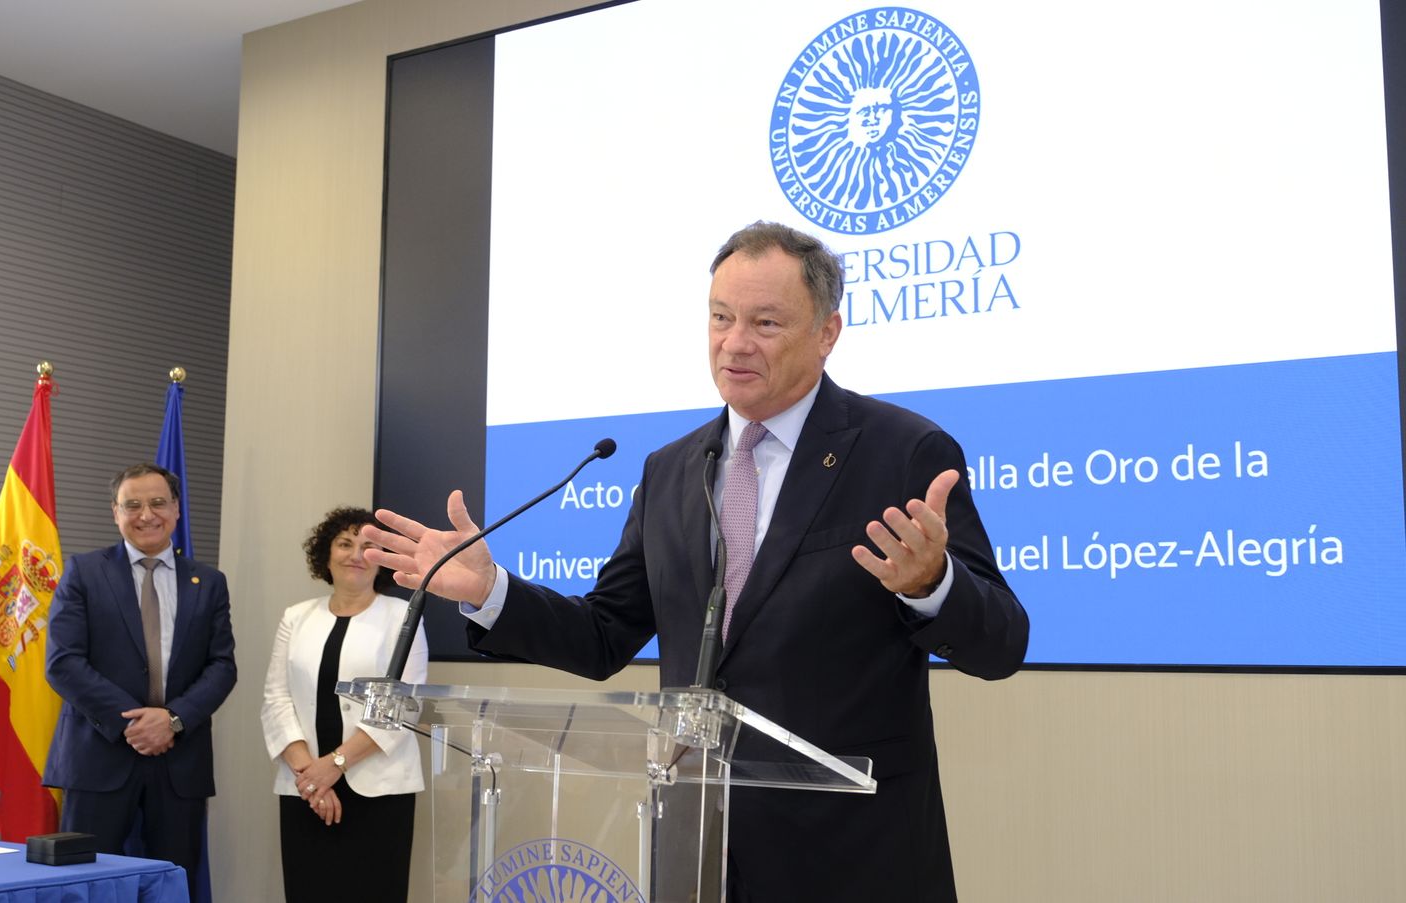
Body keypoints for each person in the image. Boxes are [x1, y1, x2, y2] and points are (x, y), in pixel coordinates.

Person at [363, 221, 1029, 902]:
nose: (734, 342)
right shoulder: (671, 469)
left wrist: (933, 586)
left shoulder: (902, 451)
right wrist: (492, 591)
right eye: (720, 316)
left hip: (851, 853)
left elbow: (1003, 641)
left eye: (765, 322)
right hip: (698, 847)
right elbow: (604, 634)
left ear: (827, 333)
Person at [44, 464, 237, 899]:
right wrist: (134, 722)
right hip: (98, 757)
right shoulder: (84, 573)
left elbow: (222, 666)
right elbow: (63, 662)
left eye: (157, 503)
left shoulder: (208, 582)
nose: (145, 514)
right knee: (83, 887)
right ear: (115, 513)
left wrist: (172, 719)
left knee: (171, 884)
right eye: (132, 504)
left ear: (176, 510)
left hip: (179, 763)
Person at [260, 507, 427, 903]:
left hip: (379, 792)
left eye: (369, 546)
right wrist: (311, 777)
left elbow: (400, 707)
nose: (356, 554)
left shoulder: (403, 616)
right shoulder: (296, 617)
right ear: (326, 554)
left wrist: (332, 766)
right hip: (305, 791)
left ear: (381, 560)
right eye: (345, 543)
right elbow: (275, 700)